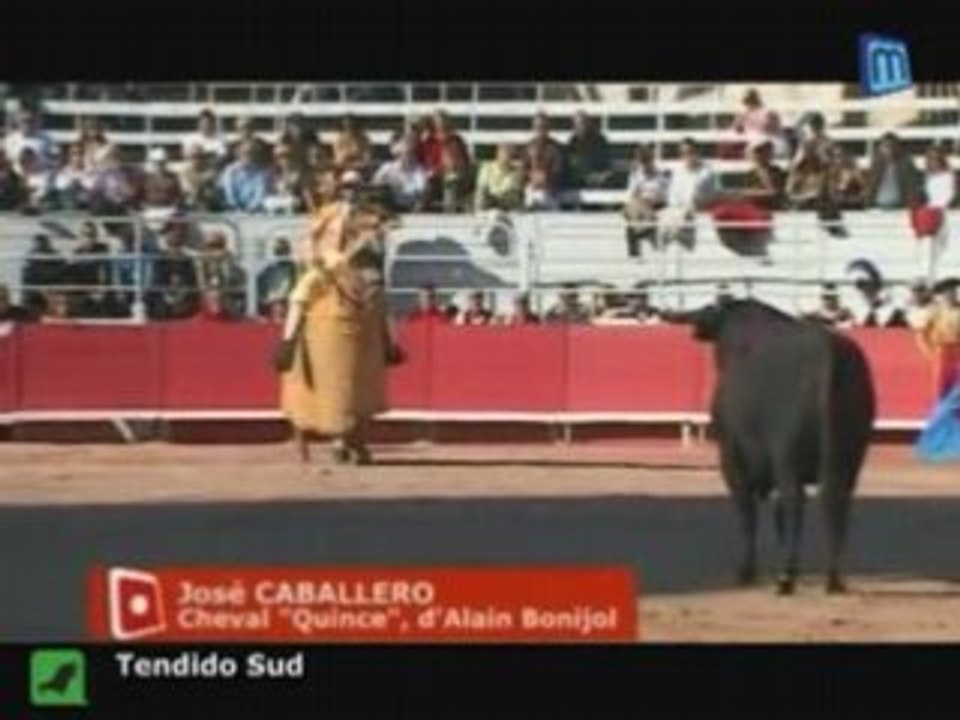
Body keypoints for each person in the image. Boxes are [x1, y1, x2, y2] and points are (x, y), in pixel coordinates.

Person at [277, 185, 397, 466]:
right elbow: (299, 298)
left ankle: (352, 441)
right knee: (335, 387)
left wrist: (390, 339)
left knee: (359, 389)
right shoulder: (331, 264)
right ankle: (340, 441)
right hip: (326, 334)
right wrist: (287, 341)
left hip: (361, 333)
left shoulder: (365, 267)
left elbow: (380, 303)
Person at [914, 278, 960, 462]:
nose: (952, 293)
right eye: (948, 291)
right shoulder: (935, 311)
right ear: (942, 294)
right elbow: (920, 334)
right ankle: (938, 442)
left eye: (954, 290)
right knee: (941, 396)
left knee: (956, 397)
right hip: (942, 352)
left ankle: (953, 442)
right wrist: (931, 353)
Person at [659, 138, 718, 253]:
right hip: (679, 211)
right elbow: (672, 196)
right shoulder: (677, 171)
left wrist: (682, 208)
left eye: (690, 152)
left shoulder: (706, 171)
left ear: (697, 152)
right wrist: (675, 208)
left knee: (681, 215)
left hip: (698, 209)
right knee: (664, 215)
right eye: (683, 153)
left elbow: (696, 195)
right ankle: (671, 237)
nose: (687, 156)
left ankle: (671, 237)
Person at [911, 144, 956, 282]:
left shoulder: (950, 175)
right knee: (928, 246)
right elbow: (922, 197)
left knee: (942, 248)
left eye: (937, 158)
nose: (934, 161)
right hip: (929, 214)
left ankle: (938, 277)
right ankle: (927, 279)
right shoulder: (924, 177)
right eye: (931, 158)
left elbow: (952, 194)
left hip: (945, 213)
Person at [623, 145, 668, 260]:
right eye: (642, 160)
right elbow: (631, 195)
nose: (645, 163)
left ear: (652, 160)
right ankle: (645, 231)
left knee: (632, 212)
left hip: (655, 205)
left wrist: (648, 198)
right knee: (631, 208)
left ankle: (638, 240)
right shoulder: (635, 176)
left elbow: (664, 196)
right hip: (640, 207)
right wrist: (642, 198)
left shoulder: (660, 176)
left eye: (647, 160)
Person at [371, 130, 429, 212]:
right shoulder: (387, 168)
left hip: (411, 205)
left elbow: (421, 190)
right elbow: (375, 185)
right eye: (404, 146)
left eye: (410, 151)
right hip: (390, 205)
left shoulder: (418, 169)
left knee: (422, 195)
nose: (407, 151)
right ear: (395, 150)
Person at [68, 220, 113, 318]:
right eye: (85, 234)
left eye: (91, 234)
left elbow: (105, 272)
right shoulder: (77, 252)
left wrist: (100, 289)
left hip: (99, 289)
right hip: (83, 289)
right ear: (80, 236)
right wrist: (86, 290)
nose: (88, 238)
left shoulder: (102, 249)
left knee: (101, 299)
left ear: (96, 236)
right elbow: (75, 274)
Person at [865, 132, 922, 209]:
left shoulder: (906, 164)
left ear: (897, 147)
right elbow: (870, 186)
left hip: (900, 206)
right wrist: (867, 204)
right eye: (886, 146)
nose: (889, 149)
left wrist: (911, 205)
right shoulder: (876, 164)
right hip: (877, 206)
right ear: (880, 148)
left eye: (892, 146)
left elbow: (912, 187)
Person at [20, 233, 67, 316]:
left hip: (54, 293)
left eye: (43, 246)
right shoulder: (30, 262)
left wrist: (51, 292)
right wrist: (42, 291)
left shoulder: (57, 259)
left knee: (61, 300)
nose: (41, 249)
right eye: (39, 247)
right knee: (30, 304)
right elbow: (27, 286)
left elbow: (62, 276)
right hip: (35, 298)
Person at [220, 140, 271, 213]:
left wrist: (250, 209)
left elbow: (259, 194)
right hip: (232, 209)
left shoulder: (260, 172)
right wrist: (236, 208)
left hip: (254, 211)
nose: (247, 155)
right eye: (244, 152)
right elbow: (229, 194)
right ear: (238, 154)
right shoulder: (230, 171)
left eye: (251, 153)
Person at [565, 110, 611, 189]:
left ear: (588, 123)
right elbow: (571, 162)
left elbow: (603, 162)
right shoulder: (573, 141)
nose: (579, 127)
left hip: (596, 175)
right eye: (576, 125)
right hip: (579, 178)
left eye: (582, 123)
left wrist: (597, 174)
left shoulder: (599, 140)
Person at [4, 108, 58, 172]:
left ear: (36, 121)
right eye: (24, 121)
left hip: (41, 175)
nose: (27, 124)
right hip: (16, 176)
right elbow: (7, 162)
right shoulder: (10, 140)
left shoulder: (47, 139)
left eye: (30, 120)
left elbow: (55, 160)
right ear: (18, 121)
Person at [475, 143, 524, 212]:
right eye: (504, 151)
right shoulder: (487, 167)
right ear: (498, 152)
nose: (507, 155)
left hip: (508, 206)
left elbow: (512, 192)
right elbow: (482, 189)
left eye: (510, 152)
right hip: (488, 205)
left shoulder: (517, 172)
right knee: (481, 195)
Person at [257, 237, 298, 317]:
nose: (281, 253)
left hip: (286, 301)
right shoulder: (269, 269)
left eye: (283, 250)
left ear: (288, 251)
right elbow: (259, 286)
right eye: (278, 250)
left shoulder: (294, 268)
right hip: (270, 302)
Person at [53, 143, 95, 211]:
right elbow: (59, 187)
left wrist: (81, 181)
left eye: (80, 153)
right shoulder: (63, 171)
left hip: (87, 207)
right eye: (74, 154)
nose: (77, 157)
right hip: (69, 206)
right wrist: (72, 182)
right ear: (69, 156)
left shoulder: (91, 170)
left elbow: (92, 186)